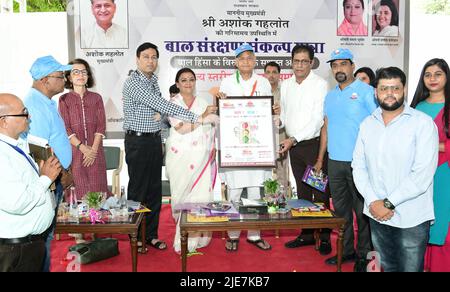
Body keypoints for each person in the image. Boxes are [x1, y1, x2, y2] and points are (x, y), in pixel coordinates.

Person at [123, 42, 217, 251]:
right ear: (138, 59)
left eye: (154, 57)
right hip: (137, 141)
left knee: (154, 191)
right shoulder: (133, 82)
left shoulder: (154, 82)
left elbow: (161, 115)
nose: (150, 61)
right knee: (138, 190)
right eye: (146, 57)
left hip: (155, 140)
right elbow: (163, 106)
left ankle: (151, 236)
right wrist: (197, 117)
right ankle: (135, 238)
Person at [353, 67, 438, 272]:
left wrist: (388, 203)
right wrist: (374, 201)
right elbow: (358, 166)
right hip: (376, 214)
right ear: (375, 92)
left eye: (395, 88)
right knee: (387, 268)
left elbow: (422, 174)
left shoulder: (423, 124)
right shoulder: (367, 124)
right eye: (384, 88)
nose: (389, 93)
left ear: (404, 89)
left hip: (412, 216)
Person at [322, 48, 377, 272]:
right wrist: (320, 159)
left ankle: (364, 256)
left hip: (360, 163)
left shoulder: (367, 92)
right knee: (341, 212)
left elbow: (378, 124)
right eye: (335, 65)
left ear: (352, 66)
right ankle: (345, 251)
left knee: (362, 212)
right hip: (335, 161)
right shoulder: (330, 95)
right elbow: (326, 127)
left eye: (343, 64)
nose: (339, 69)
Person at [216, 42, 272, 252]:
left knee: (255, 193)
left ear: (255, 61)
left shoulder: (263, 82)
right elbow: (223, 113)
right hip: (235, 146)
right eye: (242, 58)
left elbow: (268, 109)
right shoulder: (227, 82)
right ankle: (232, 235)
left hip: (257, 147)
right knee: (235, 192)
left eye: (250, 57)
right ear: (236, 62)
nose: (246, 61)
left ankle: (254, 234)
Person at [277, 45, 331, 255]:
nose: (299, 65)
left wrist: (293, 139)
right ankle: (307, 234)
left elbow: (318, 119)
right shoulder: (286, 84)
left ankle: (324, 235)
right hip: (294, 147)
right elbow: (284, 115)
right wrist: (273, 120)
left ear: (311, 62)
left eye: (304, 61)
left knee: (319, 191)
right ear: (291, 62)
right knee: (302, 191)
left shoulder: (320, 84)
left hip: (312, 146)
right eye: (296, 61)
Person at [0, 93, 62, 272]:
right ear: (4, 121)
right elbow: (17, 202)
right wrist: (45, 178)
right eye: (24, 113)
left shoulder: (15, 145)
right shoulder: (2, 155)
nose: (29, 117)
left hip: (27, 245)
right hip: (15, 251)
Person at [25, 55, 73, 272]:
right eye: (60, 76)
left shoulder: (46, 102)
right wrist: (62, 174)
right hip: (50, 178)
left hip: (54, 176)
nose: (65, 79)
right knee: (43, 235)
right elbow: (40, 150)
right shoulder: (35, 105)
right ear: (45, 80)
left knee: (47, 234)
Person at [165, 68, 217, 253]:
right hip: (179, 156)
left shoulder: (203, 102)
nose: (188, 83)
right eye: (184, 80)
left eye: (191, 79)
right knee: (180, 197)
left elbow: (211, 127)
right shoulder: (171, 103)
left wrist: (213, 146)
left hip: (200, 156)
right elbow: (181, 129)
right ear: (177, 84)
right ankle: (183, 237)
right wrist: (202, 117)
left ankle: (195, 238)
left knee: (199, 197)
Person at [411, 58, 450, 272]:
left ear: (447, 77)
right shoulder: (417, 107)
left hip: (445, 174)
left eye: (438, 74)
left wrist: (434, 146)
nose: (432, 79)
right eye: (428, 74)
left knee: (443, 227)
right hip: (419, 175)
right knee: (421, 224)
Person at [59, 58, 108, 202]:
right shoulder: (64, 99)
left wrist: (92, 150)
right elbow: (66, 128)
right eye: (75, 72)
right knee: (79, 196)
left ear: (88, 76)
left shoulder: (96, 98)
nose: (80, 75)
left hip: (96, 151)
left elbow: (101, 126)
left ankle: (98, 223)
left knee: (98, 197)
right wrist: (82, 147)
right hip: (75, 153)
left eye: (83, 72)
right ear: (69, 77)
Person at [264, 61, 289, 190]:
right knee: (264, 170)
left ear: (279, 75)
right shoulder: (260, 90)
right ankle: (265, 199)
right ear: (264, 74)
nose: (271, 75)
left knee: (281, 169)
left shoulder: (285, 91)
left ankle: (281, 200)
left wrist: (282, 111)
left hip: (280, 134)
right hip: (263, 136)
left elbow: (291, 111)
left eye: (274, 72)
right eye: (268, 72)